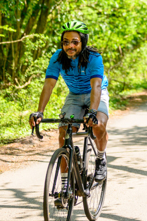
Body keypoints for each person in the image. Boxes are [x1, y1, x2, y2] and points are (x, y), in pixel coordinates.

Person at [29, 20, 109, 203]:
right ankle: (65, 186)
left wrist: (93, 112)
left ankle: (101, 158)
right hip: (74, 95)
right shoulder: (57, 57)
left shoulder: (94, 57)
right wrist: (39, 112)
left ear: (83, 42)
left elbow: (96, 85)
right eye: (65, 42)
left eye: (74, 41)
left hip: (95, 93)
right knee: (64, 131)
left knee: (99, 124)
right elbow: (49, 84)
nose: (70, 46)